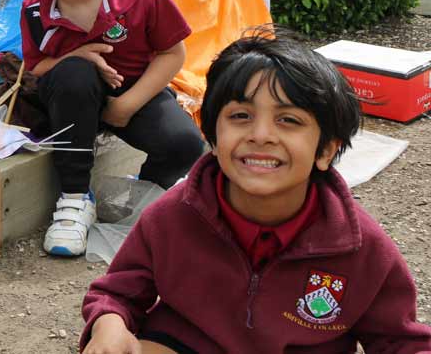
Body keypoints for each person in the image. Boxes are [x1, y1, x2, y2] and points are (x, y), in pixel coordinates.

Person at [79, 29, 431, 353]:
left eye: (288, 120)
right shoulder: (172, 216)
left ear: (325, 151)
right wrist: (109, 324)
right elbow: (116, 292)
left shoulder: (361, 247)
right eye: (241, 116)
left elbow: (400, 340)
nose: (260, 135)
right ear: (212, 138)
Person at [8, 0, 203, 256]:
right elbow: (37, 68)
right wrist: (77, 55)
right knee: (75, 73)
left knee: (187, 144)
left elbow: (172, 52)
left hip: (133, 92)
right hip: (71, 102)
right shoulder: (35, 10)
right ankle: (75, 197)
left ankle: (146, 194)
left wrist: (127, 105)